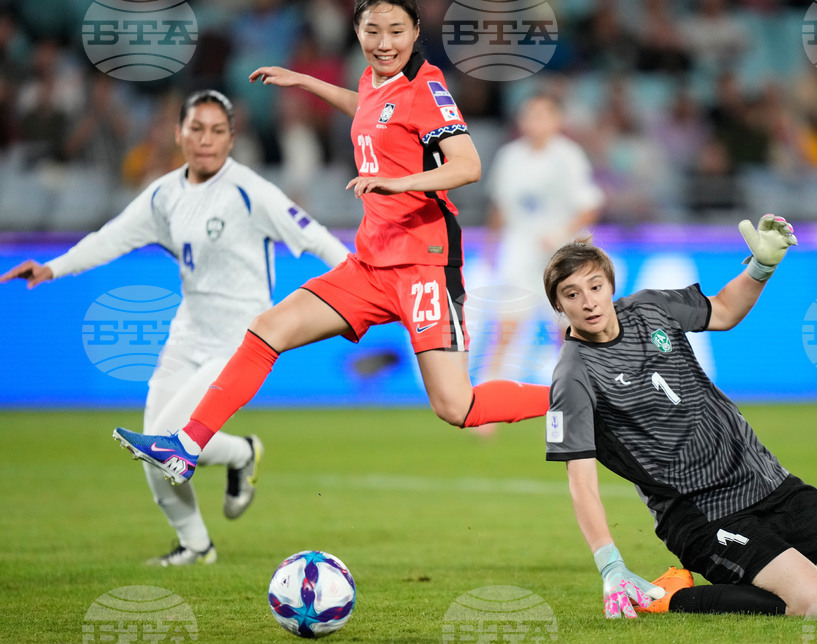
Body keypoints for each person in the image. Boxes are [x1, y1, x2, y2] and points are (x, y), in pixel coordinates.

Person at [112, 0, 550, 486]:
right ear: (357, 32)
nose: (384, 43)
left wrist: (399, 183)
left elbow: (468, 164)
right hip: (371, 264)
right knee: (269, 328)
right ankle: (186, 446)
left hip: (423, 265)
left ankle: (575, 396)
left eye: (396, 31)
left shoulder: (426, 86)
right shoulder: (374, 81)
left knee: (456, 406)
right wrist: (305, 82)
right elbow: (369, 109)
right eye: (372, 31)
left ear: (415, 32)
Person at [1, 89, 350, 565]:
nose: (206, 139)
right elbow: (112, 238)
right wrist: (53, 268)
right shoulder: (164, 195)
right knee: (153, 447)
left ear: (231, 138)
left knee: (165, 439)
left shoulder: (250, 190)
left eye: (217, 130)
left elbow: (317, 238)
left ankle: (237, 461)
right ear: (178, 134)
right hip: (188, 334)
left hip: (242, 339)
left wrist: (359, 290)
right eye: (197, 128)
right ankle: (199, 539)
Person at [543, 216, 817, 618]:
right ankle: (667, 598)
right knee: (816, 602)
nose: (588, 302)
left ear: (611, 285)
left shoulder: (650, 307)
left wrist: (761, 268)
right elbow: (582, 483)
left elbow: (725, 310)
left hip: (767, 482)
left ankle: (781, 577)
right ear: (558, 305)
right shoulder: (573, 375)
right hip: (704, 513)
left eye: (595, 287)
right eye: (572, 294)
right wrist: (610, 564)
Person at [483, 92, 603, 388]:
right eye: (529, 115)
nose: (533, 121)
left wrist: (561, 235)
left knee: (565, 329)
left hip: (559, 254)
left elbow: (590, 206)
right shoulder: (509, 156)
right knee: (506, 325)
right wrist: (491, 244)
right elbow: (499, 206)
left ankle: (574, 390)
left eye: (541, 115)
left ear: (556, 120)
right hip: (520, 250)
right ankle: (489, 391)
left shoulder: (568, 156)